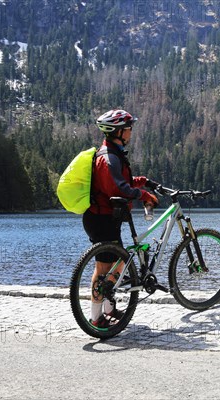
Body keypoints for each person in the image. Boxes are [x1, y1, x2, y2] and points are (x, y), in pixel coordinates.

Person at [83, 109, 159, 328]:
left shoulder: (113, 153)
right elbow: (117, 187)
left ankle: (108, 309)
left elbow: (119, 181)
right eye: (128, 128)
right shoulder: (108, 157)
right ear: (118, 131)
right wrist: (144, 194)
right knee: (109, 268)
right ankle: (96, 318)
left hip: (104, 217)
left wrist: (141, 181)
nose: (131, 132)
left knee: (112, 266)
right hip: (102, 219)